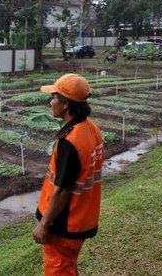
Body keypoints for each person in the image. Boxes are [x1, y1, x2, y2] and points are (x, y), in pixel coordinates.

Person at [32, 74, 105, 275]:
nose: (50, 102)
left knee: (58, 268)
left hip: (64, 222)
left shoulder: (70, 142)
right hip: (81, 217)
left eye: (54, 98)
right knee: (67, 266)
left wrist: (44, 225)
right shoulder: (91, 128)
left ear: (65, 105)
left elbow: (62, 190)